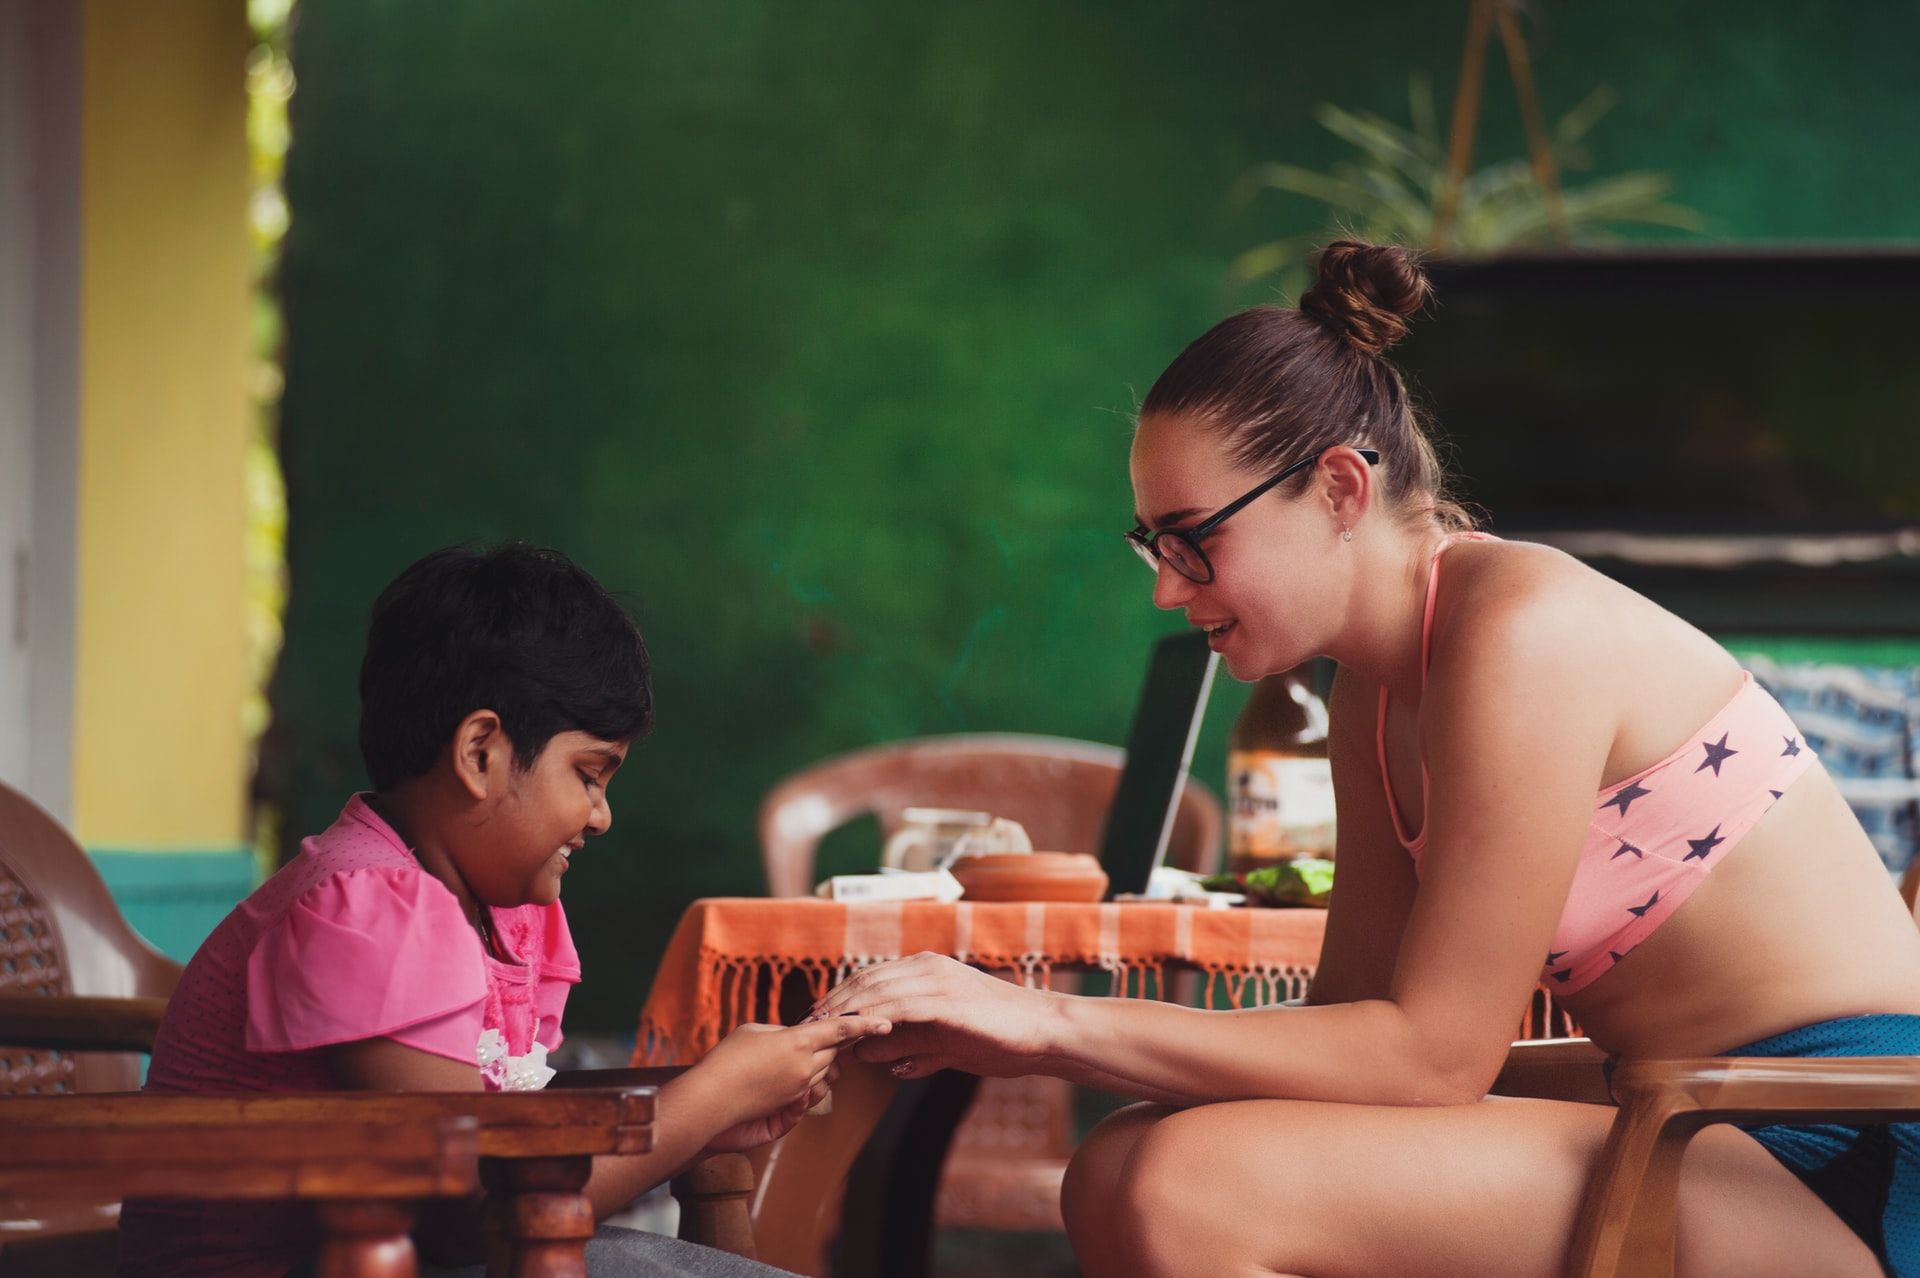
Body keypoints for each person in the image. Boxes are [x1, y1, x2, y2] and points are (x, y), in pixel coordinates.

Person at [812, 242, 1920, 1277]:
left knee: (1183, 1182)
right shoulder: (1377, 693)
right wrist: (1035, 1034)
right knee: (1117, 1166)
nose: (1165, 584)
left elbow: (1431, 1061)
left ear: (1341, 489)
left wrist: (1049, 1022)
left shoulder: (1520, 630)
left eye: (1196, 538)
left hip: (1845, 1155)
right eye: (1152, 545)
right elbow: (1354, 1028)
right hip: (1696, 1120)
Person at [122, 543, 887, 1278]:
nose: (601, 816)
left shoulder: (485, 904)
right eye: (590, 775)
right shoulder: (369, 909)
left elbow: (510, 1124)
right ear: (480, 752)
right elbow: (471, 1213)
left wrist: (714, 1098)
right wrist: (705, 1101)